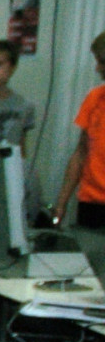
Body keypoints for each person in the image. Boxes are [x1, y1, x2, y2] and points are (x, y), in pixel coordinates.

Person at [52, 31, 105, 229]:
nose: (98, 68)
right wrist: (61, 203)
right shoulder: (95, 98)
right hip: (91, 203)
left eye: (102, 62)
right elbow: (81, 153)